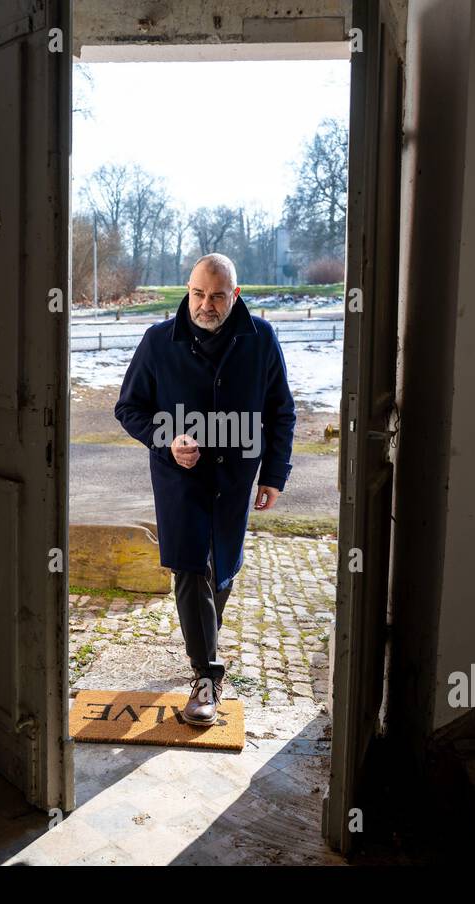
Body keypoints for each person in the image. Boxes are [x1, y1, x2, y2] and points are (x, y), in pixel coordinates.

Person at [114, 253, 296, 725]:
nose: (205, 304)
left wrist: (274, 474)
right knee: (191, 566)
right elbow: (129, 408)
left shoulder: (261, 339)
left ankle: (204, 645)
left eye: (216, 296)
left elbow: (281, 412)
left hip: (234, 479)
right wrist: (165, 438)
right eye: (197, 293)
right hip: (180, 480)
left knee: (221, 571)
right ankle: (206, 676)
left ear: (234, 295)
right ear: (187, 290)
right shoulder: (158, 342)